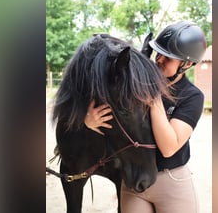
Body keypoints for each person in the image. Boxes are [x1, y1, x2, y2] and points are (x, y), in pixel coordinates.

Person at [84, 20, 207, 213]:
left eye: (168, 58)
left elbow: (168, 149)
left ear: (188, 63)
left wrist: (153, 95)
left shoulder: (192, 97)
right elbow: (119, 124)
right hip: (134, 179)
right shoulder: (136, 80)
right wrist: (89, 123)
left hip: (171, 181)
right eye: (159, 54)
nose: (159, 60)